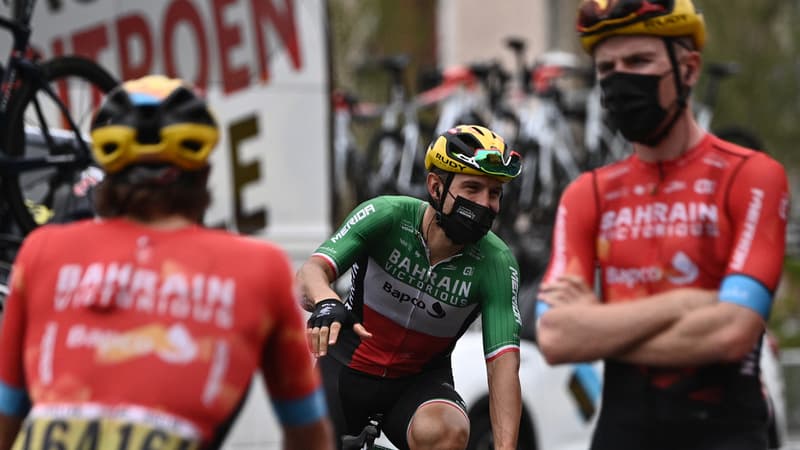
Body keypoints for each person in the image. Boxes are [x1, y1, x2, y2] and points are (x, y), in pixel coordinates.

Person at [0, 75, 334, 450]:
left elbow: (6, 415)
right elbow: (307, 435)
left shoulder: (42, 250)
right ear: (203, 172)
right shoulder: (260, 266)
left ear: (106, 172)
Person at [535, 1, 790, 450]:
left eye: (638, 61)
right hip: (623, 432)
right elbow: (555, 336)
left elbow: (732, 332)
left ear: (689, 69)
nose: (620, 79)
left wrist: (596, 330)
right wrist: (689, 303)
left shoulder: (751, 176)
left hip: (727, 431)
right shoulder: (586, 194)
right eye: (606, 68)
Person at [298, 125, 523, 450]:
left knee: (448, 432)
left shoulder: (496, 263)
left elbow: (503, 367)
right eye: (472, 188)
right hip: (346, 369)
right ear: (435, 186)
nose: (484, 204)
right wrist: (326, 301)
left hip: (418, 385)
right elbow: (310, 272)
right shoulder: (386, 216)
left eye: (494, 193)